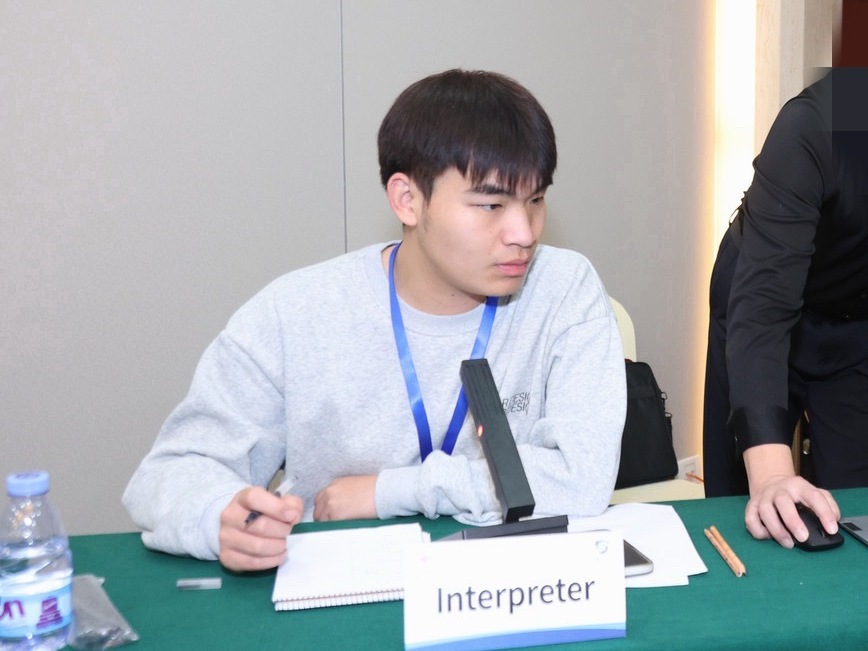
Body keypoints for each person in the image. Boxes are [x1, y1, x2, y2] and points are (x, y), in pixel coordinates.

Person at [123, 69, 626, 572]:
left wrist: (388, 491)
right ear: (407, 199)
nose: (524, 232)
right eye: (491, 204)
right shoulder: (296, 312)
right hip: (339, 584)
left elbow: (581, 476)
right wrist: (220, 517)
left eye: (535, 200)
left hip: (507, 585)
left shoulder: (563, 288)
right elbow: (169, 474)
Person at [703, 68, 868, 548]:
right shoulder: (814, 126)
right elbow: (763, 311)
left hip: (856, 324)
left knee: (854, 507)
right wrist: (773, 475)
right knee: (748, 509)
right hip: (761, 304)